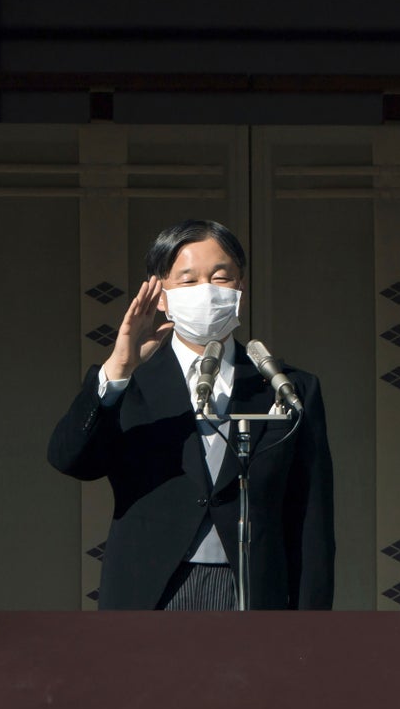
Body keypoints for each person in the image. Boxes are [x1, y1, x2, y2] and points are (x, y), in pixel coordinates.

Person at [48, 220, 334, 610]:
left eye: (221, 278)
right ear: (160, 294)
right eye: (188, 281)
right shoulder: (131, 382)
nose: (207, 292)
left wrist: (310, 627)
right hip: (149, 591)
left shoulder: (286, 387)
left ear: (241, 289)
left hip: (252, 589)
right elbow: (70, 459)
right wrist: (117, 368)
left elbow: (311, 519)